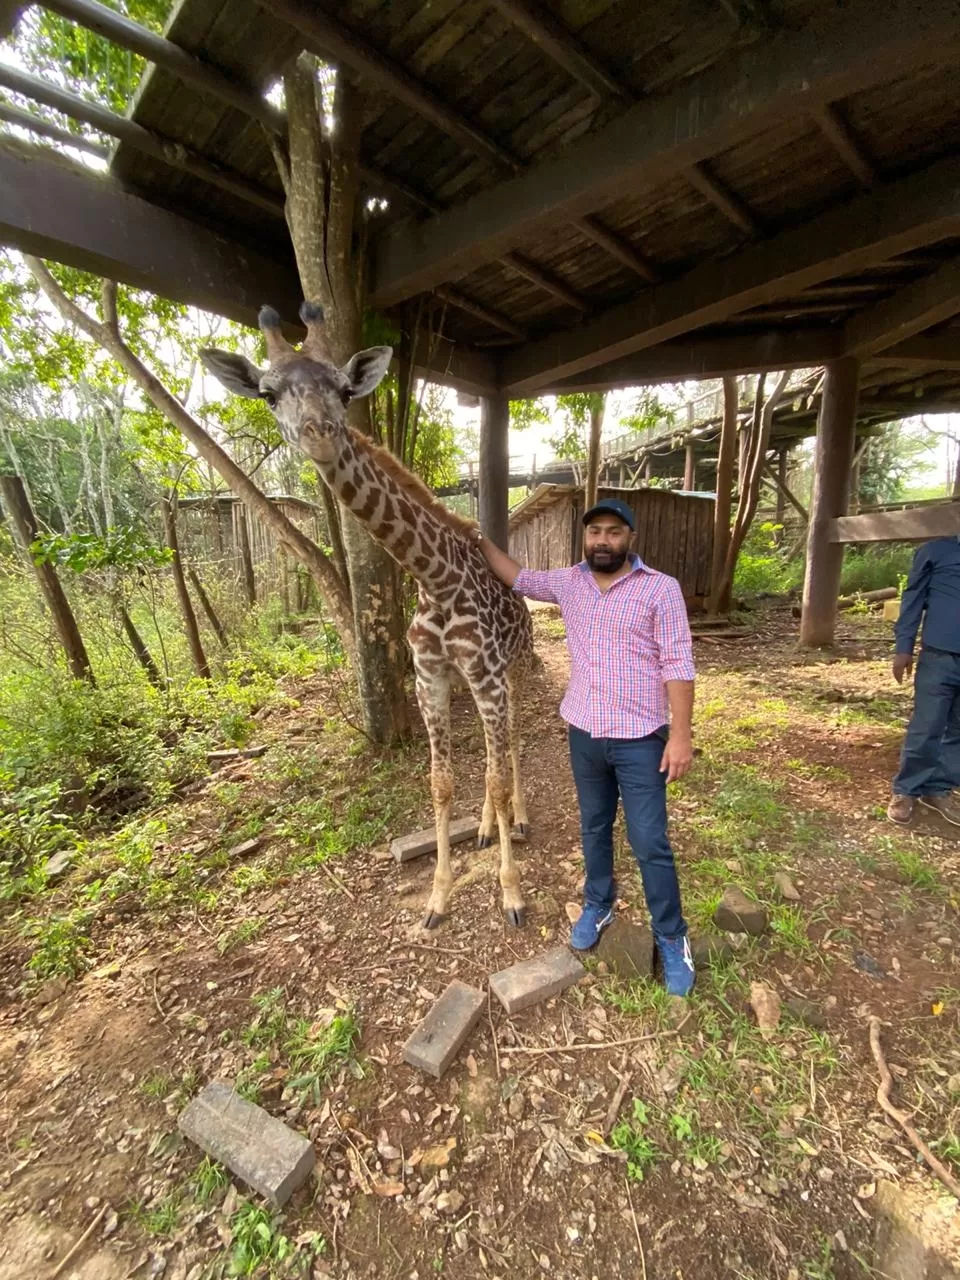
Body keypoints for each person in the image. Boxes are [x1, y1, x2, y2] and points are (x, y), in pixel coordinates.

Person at [475, 497, 696, 996]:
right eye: (595, 531)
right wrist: (478, 539)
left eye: (614, 532)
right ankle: (599, 903)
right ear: (585, 537)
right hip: (585, 734)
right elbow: (518, 577)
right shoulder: (568, 583)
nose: (603, 540)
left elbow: (678, 664)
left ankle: (671, 935)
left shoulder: (660, 589)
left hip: (641, 739)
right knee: (594, 826)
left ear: (630, 538)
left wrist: (680, 735)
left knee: (649, 842)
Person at [887, 536, 960, 826]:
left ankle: (939, 788)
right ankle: (906, 790)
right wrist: (904, 648)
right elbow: (913, 598)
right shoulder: (936, 551)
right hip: (939, 656)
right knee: (927, 724)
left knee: (958, 728)